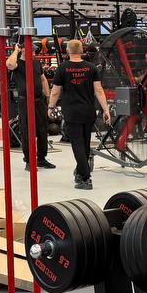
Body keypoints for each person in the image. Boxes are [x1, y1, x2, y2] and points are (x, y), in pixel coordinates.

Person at [48, 39, 112, 189]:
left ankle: (85, 178)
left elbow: (55, 91)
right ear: (82, 51)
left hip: (72, 112)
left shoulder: (63, 68)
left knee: (77, 145)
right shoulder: (91, 68)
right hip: (88, 111)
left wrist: (50, 107)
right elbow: (99, 90)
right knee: (85, 144)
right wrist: (106, 109)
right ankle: (79, 172)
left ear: (67, 51)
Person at [5, 37, 55, 170]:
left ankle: (41, 158)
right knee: (27, 132)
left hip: (39, 101)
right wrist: (16, 50)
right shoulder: (17, 64)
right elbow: (9, 64)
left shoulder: (36, 63)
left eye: (34, 51)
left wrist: (48, 97)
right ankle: (29, 160)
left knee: (43, 130)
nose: (33, 53)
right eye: (31, 50)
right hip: (25, 102)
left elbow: (43, 80)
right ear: (22, 50)